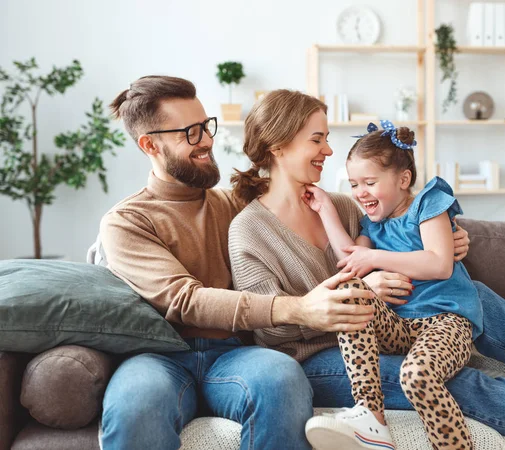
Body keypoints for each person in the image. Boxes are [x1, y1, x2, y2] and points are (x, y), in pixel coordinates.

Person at [228, 88, 505, 449]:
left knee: (471, 293)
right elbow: (270, 327)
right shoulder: (248, 228)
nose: (328, 150)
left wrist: (452, 241)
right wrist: (363, 287)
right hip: (321, 356)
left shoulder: (341, 205)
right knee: (444, 381)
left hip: (394, 326)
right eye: (317, 139)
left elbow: (395, 241)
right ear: (278, 146)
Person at [97, 75, 383, 450]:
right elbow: (185, 301)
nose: (208, 141)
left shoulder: (235, 205)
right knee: (135, 405)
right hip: (160, 358)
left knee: (281, 378)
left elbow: (294, 192)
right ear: (150, 144)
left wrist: (431, 228)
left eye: (206, 126)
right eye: (191, 133)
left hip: (235, 356)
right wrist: (297, 309)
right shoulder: (127, 220)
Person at [299, 122, 481, 450]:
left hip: (445, 322)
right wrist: (325, 207)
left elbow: (439, 264)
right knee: (349, 292)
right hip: (399, 327)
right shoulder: (373, 223)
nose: (360, 192)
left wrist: (377, 257)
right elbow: (351, 259)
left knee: (416, 375)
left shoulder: (429, 203)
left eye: (370, 182)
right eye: (354, 184)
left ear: (403, 180)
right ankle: (371, 416)